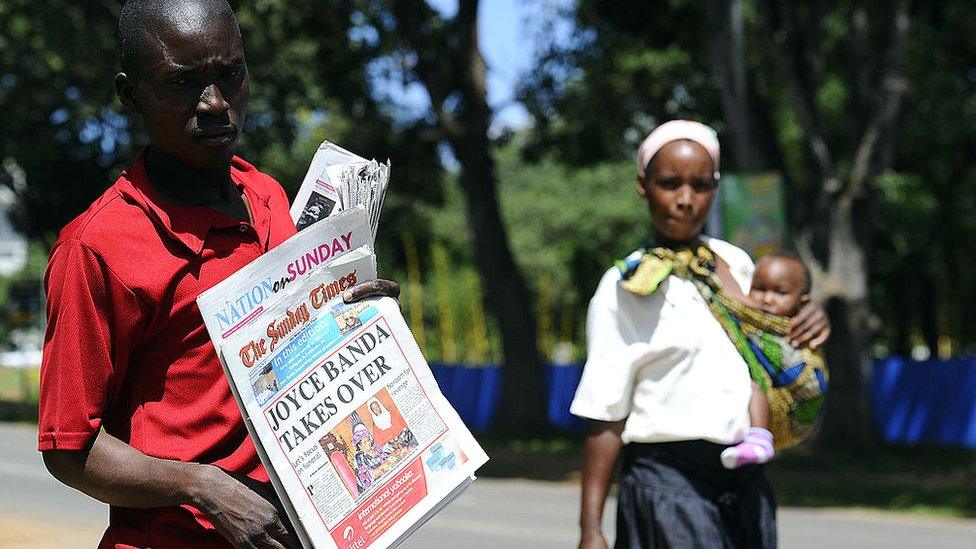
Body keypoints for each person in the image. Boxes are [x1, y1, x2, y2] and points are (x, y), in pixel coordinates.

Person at [37, 2, 398, 548]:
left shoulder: (269, 199)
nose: (215, 104)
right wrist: (200, 486)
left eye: (230, 75)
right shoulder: (96, 248)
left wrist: (361, 320)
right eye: (183, 84)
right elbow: (69, 449)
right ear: (129, 94)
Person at [572, 120, 830, 549]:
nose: (685, 200)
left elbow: (774, 337)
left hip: (745, 485)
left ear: (715, 187)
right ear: (643, 185)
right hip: (668, 486)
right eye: (669, 184)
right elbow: (604, 413)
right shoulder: (625, 286)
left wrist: (814, 319)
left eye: (701, 185)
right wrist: (590, 530)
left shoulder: (737, 263)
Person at [719, 252, 815, 469]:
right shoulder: (749, 317)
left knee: (753, 384)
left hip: (787, 394)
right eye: (759, 289)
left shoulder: (799, 328)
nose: (767, 298)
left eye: (780, 292)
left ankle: (759, 439)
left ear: (803, 302)